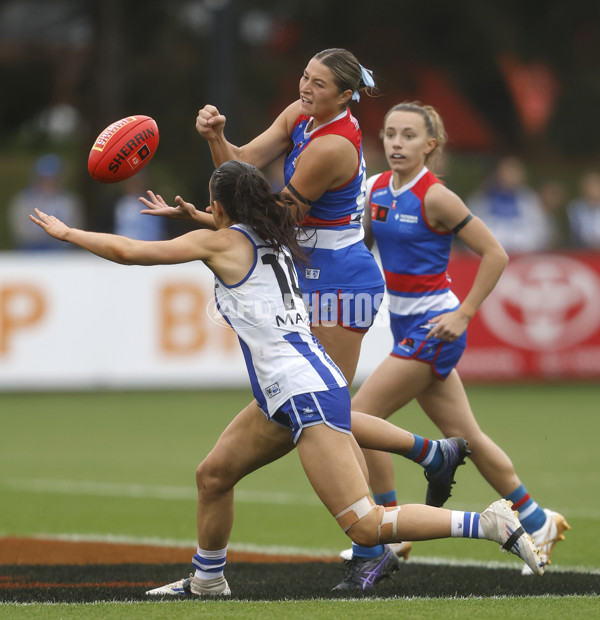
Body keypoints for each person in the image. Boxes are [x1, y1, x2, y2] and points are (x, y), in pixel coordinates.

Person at [30, 160, 544, 597]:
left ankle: (489, 523)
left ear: (221, 205)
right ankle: (208, 579)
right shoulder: (268, 229)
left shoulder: (224, 243)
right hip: (291, 386)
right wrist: (197, 214)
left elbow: (131, 252)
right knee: (213, 477)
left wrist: (68, 233)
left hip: (301, 390)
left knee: (365, 523)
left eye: (211, 204)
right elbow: (230, 222)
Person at [343, 102, 569, 576]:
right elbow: (357, 246)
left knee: (358, 419)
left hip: (436, 327)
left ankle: (392, 529)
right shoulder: (375, 189)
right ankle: (536, 518)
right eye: (390, 134)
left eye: (408, 135)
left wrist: (464, 314)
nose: (396, 143)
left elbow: (495, 254)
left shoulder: (436, 196)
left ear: (430, 145)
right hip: (405, 328)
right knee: (466, 436)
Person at [146, 47, 385, 385]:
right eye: (305, 76)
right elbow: (241, 163)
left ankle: (429, 444)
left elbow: (278, 222)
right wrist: (216, 137)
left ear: (345, 95)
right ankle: (432, 444)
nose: (305, 88)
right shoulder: (301, 114)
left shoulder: (330, 147)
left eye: (318, 84)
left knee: (325, 407)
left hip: (340, 280)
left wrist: (204, 218)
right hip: (308, 266)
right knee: (305, 405)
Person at [466, 155, 553, 253]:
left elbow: (540, 231)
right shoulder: (481, 199)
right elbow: (471, 233)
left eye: (514, 172)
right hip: (489, 256)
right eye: (507, 171)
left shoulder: (529, 199)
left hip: (524, 256)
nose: (510, 176)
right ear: (497, 173)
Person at [8, 153, 84, 251]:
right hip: (29, 252)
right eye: (44, 179)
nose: (48, 182)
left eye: (53, 179)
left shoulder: (69, 201)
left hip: (62, 253)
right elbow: (20, 232)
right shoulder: (23, 201)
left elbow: (75, 229)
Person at [566, 170, 600, 248]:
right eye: (589, 185)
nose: (592, 189)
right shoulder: (575, 207)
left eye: (595, 185)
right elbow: (579, 232)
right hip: (583, 249)